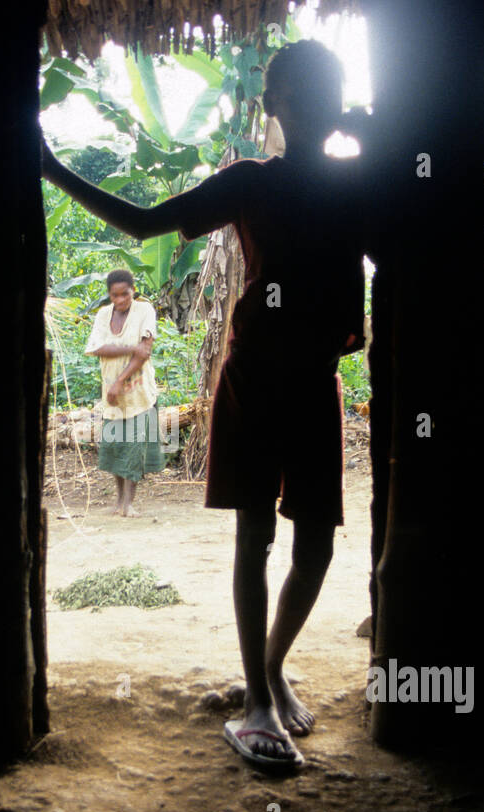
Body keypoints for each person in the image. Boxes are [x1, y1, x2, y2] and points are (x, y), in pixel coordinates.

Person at [42, 39, 370, 770]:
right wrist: (55, 169)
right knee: (255, 537)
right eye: (300, 91)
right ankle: (256, 699)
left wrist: (371, 133)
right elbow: (144, 224)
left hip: (316, 376)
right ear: (273, 105)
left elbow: (408, 231)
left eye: (329, 90)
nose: (314, 103)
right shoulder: (250, 182)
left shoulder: (358, 182)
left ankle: (273, 666)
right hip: (255, 376)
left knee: (315, 542)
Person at [83, 270, 165, 516]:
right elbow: (98, 348)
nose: (120, 300)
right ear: (109, 294)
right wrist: (131, 348)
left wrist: (120, 380)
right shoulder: (102, 315)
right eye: (115, 295)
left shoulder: (144, 311)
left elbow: (145, 353)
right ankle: (118, 501)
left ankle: (129, 503)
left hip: (139, 392)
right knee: (115, 446)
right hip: (112, 394)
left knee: (134, 447)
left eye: (125, 294)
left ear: (133, 290)